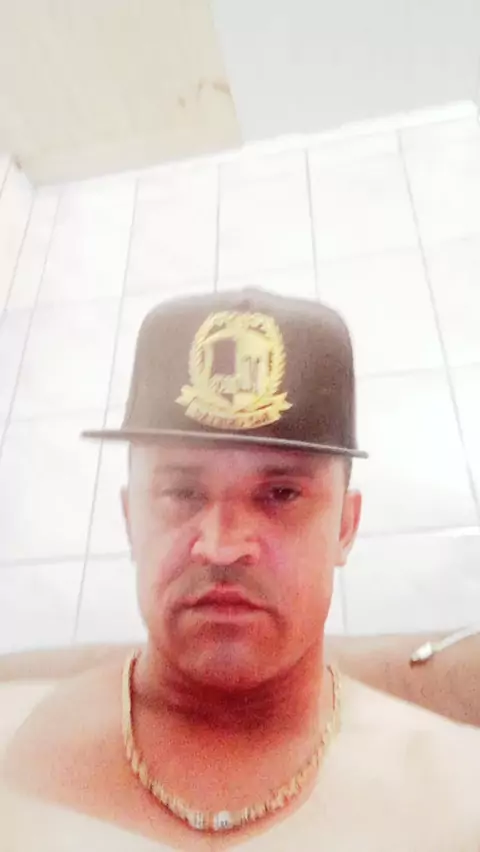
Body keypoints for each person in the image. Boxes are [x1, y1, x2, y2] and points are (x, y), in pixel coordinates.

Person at [1, 288, 479, 851]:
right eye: (182, 491)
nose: (222, 546)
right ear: (130, 518)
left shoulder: (454, 799)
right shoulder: (18, 759)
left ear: (345, 527)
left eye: (280, 493)